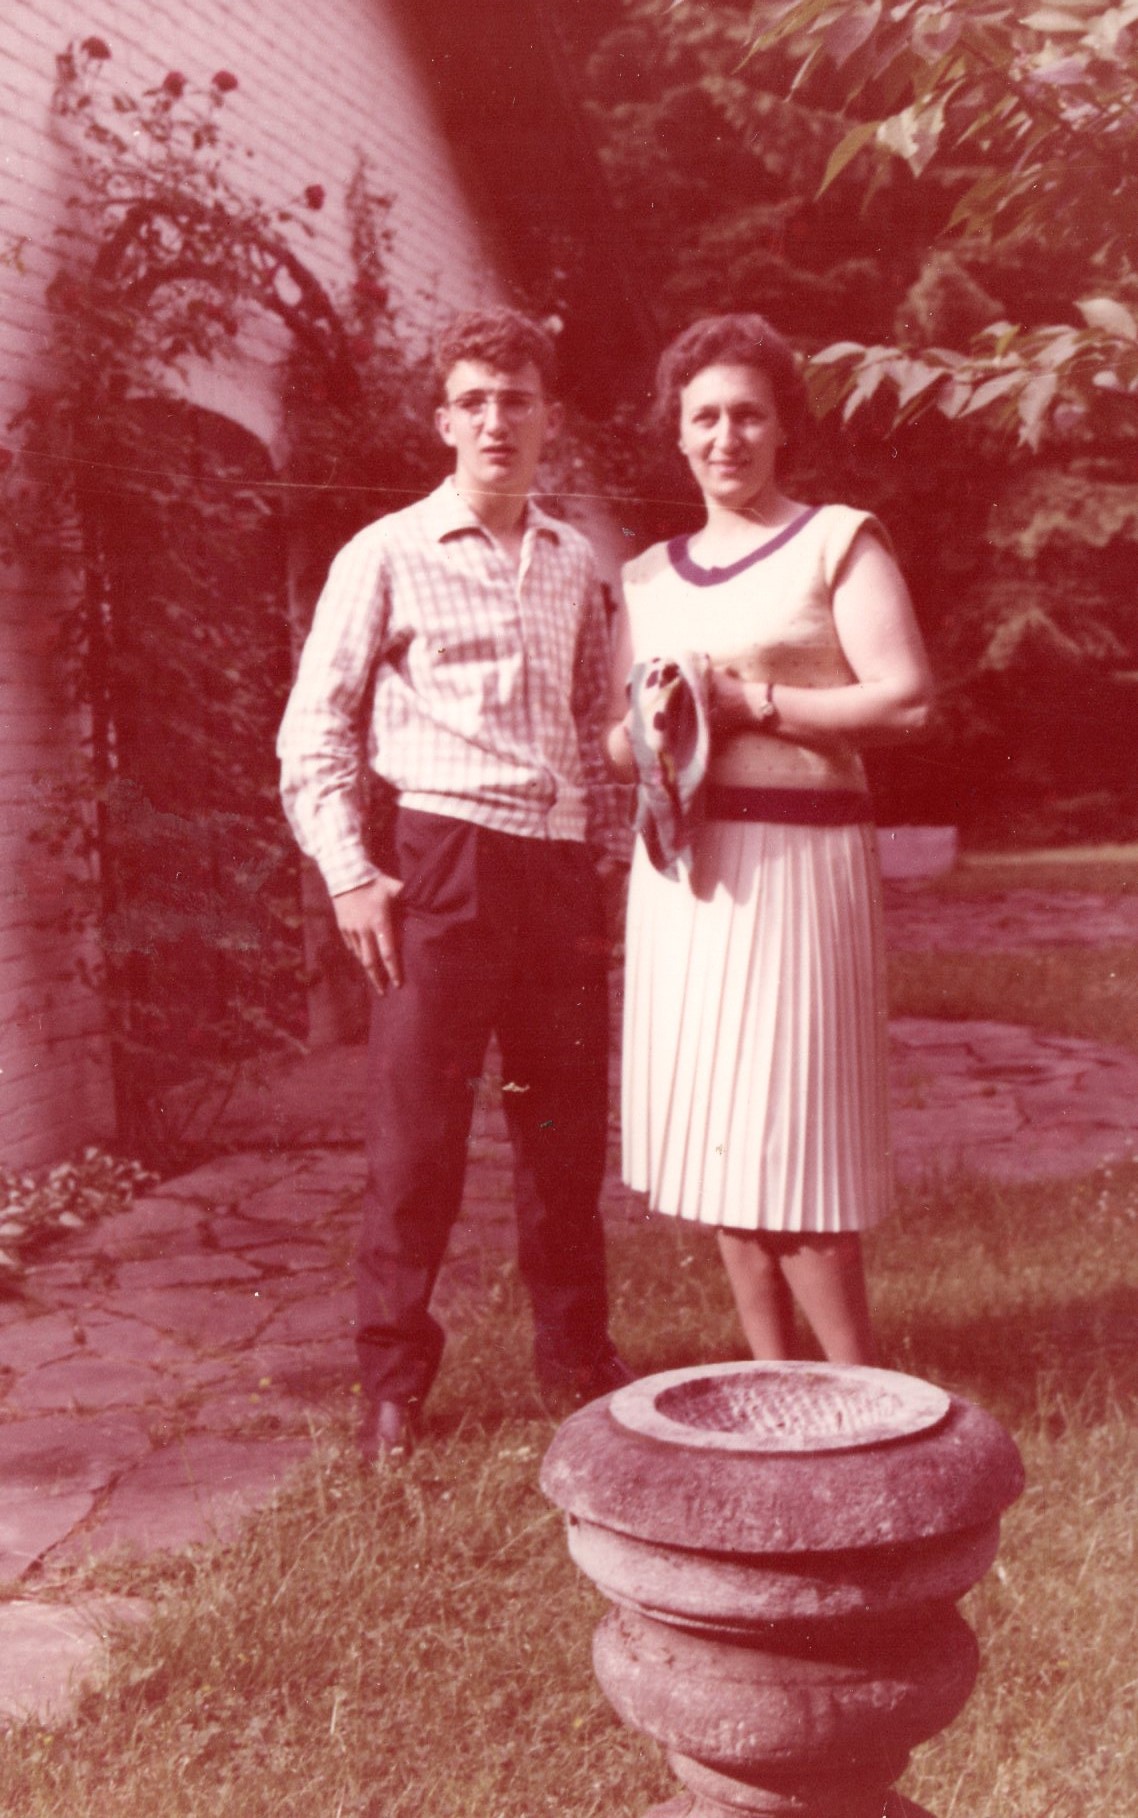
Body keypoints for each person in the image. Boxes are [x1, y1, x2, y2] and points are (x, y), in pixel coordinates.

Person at [278, 306, 630, 1462]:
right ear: (443, 421)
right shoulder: (385, 553)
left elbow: (592, 723)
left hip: (558, 871)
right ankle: (393, 1386)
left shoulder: (576, 562)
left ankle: (576, 1358)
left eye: (515, 400)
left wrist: (608, 861)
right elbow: (316, 726)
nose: (495, 421)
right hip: (444, 862)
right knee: (417, 1140)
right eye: (473, 401)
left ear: (548, 418)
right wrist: (351, 876)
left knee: (562, 1133)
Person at [607, 313, 935, 1366]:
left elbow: (905, 700)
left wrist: (749, 703)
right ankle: (773, 1382)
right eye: (704, 417)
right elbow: (614, 738)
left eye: (748, 415)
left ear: (784, 425)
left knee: (794, 1137)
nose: (726, 437)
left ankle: (858, 1390)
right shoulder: (646, 576)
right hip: (685, 878)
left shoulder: (838, 540)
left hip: (799, 867)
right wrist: (657, 719)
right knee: (719, 1140)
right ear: (677, 431)